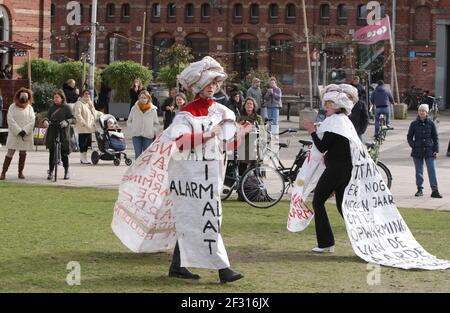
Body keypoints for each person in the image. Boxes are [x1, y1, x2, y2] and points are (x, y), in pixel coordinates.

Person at [302, 84, 359, 253]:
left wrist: (312, 131)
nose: (325, 106)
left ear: (335, 106)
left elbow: (322, 147)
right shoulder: (342, 121)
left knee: (318, 201)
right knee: (342, 205)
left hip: (336, 169)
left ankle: (326, 243)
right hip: (344, 169)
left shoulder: (333, 122)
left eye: (328, 103)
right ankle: (360, 237)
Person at [407, 104, 442, 198]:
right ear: (418, 112)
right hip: (417, 151)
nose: (421, 112)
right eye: (420, 111)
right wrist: (413, 145)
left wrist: (436, 149)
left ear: (427, 113)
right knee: (419, 171)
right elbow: (409, 137)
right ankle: (419, 189)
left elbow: (435, 137)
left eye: (423, 111)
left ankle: (435, 190)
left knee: (432, 170)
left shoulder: (431, 123)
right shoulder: (413, 124)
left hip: (429, 150)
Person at [0, 88, 35, 180]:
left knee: (23, 153)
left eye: (26, 95)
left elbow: (32, 121)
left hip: (25, 135)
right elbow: (10, 120)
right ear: (18, 96)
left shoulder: (30, 108)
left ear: (28, 97)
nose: (24, 97)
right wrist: (19, 131)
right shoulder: (12, 106)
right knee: (10, 153)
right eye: (22, 95)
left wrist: (25, 131)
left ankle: (20, 172)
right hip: (15, 134)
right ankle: (3, 172)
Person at [42, 90, 76, 180]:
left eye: (57, 97)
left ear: (62, 98)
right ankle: (51, 171)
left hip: (64, 131)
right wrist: (45, 121)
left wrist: (66, 121)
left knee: (64, 153)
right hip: (53, 130)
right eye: (54, 97)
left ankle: (66, 171)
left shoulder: (67, 107)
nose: (55, 99)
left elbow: (73, 119)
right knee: (52, 151)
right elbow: (47, 117)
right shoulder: (52, 107)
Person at [127, 90, 160, 159]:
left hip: (148, 136)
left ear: (148, 98)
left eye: (145, 98)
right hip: (136, 135)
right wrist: (132, 129)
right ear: (139, 98)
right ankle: (136, 170)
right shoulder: (134, 108)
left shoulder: (153, 110)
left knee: (147, 156)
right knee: (138, 155)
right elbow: (129, 121)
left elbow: (156, 124)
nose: (143, 99)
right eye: (141, 97)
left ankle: (146, 170)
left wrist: (152, 131)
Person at [73, 89, 102, 164]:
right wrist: (83, 123)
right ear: (82, 95)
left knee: (87, 143)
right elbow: (77, 115)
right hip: (83, 127)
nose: (88, 95)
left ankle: (84, 158)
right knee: (82, 143)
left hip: (90, 126)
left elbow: (94, 112)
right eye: (86, 94)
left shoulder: (89, 103)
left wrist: (101, 114)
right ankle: (82, 158)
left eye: (89, 94)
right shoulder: (79, 103)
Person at [238, 97, 264, 175]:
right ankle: (241, 182)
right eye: (247, 103)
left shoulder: (258, 118)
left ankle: (258, 182)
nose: (249, 105)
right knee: (242, 166)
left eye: (251, 104)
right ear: (244, 106)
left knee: (256, 165)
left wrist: (254, 128)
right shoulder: (240, 117)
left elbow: (262, 131)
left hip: (255, 144)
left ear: (253, 106)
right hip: (244, 143)